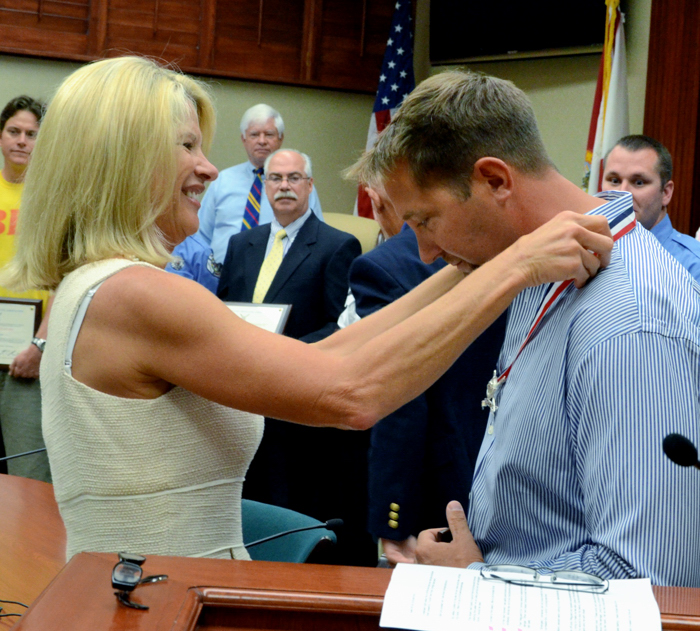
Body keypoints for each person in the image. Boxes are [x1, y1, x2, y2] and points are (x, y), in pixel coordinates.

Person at [3, 56, 613, 562]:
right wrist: (519, 265)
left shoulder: (98, 285)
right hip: (157, 607)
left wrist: (464, 265)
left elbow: (318, 358)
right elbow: (350, 393)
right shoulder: (137, 294)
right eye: (187, 144)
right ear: (122, 156)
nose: (209, 168)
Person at [351, 70, 700, 587]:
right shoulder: (542, 266)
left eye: (424, 221)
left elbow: (649, 578)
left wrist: (476, 576)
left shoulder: (629, 319)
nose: (424, 252)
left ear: (495, 180)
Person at [217, 148, 371, 564]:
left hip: (294, 400)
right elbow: (222, 310)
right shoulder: (240, 243)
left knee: (289, 498)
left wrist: (278, 352)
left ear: (309, 185)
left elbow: (339, 323)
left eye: (294, 178)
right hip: (241, 398)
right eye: (275, 178)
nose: (284, 186)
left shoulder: (337, 245)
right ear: (264, 185)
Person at [348, 187, 505, 565]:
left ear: (376, 198)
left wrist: (393, 517)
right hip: (511, 481)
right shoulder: (505, 248)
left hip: (438, 496)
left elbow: (398, 401)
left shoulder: (382, 267)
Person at [167, 104, 323, 288]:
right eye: (255, 134)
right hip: (219, 279)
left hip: (278, 280)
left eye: (269, 134)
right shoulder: (222, 180)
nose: (262, 141)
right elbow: (199, 234)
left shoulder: (298, 187)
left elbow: (316, 238)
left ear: (281, 139)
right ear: (243, 139)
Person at [0, 95, 52, 482]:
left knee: (26, 474)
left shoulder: (52, 200)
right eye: (13, 131)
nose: (21, 141)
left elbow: (67, 276)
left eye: (31, 134)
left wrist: (40, 345)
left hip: (28, 355)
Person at [603, 134, 700, 282]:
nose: (622, 193)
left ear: (666, 193)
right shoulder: (585, 252)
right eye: (614, 181)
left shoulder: (694, 265)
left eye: (639, 182)